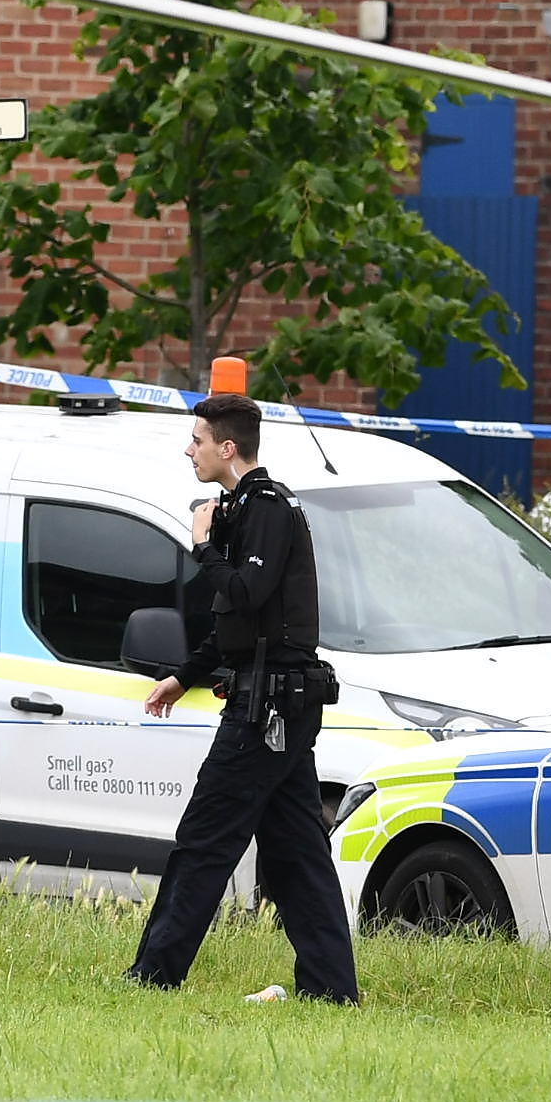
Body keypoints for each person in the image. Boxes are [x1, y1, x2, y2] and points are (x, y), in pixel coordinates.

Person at [129, 393, 360, 1004]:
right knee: (298, 856)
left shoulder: (267, 509)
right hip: (274, 703)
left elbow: (248, 590)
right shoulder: (246, 507)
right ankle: (332, 989)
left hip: (267, 711)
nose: (189, 450)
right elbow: (237, 624)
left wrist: (202, 546)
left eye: (197, 440)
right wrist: (185, 675)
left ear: (227, 448)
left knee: (204, 840)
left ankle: (154, 975)